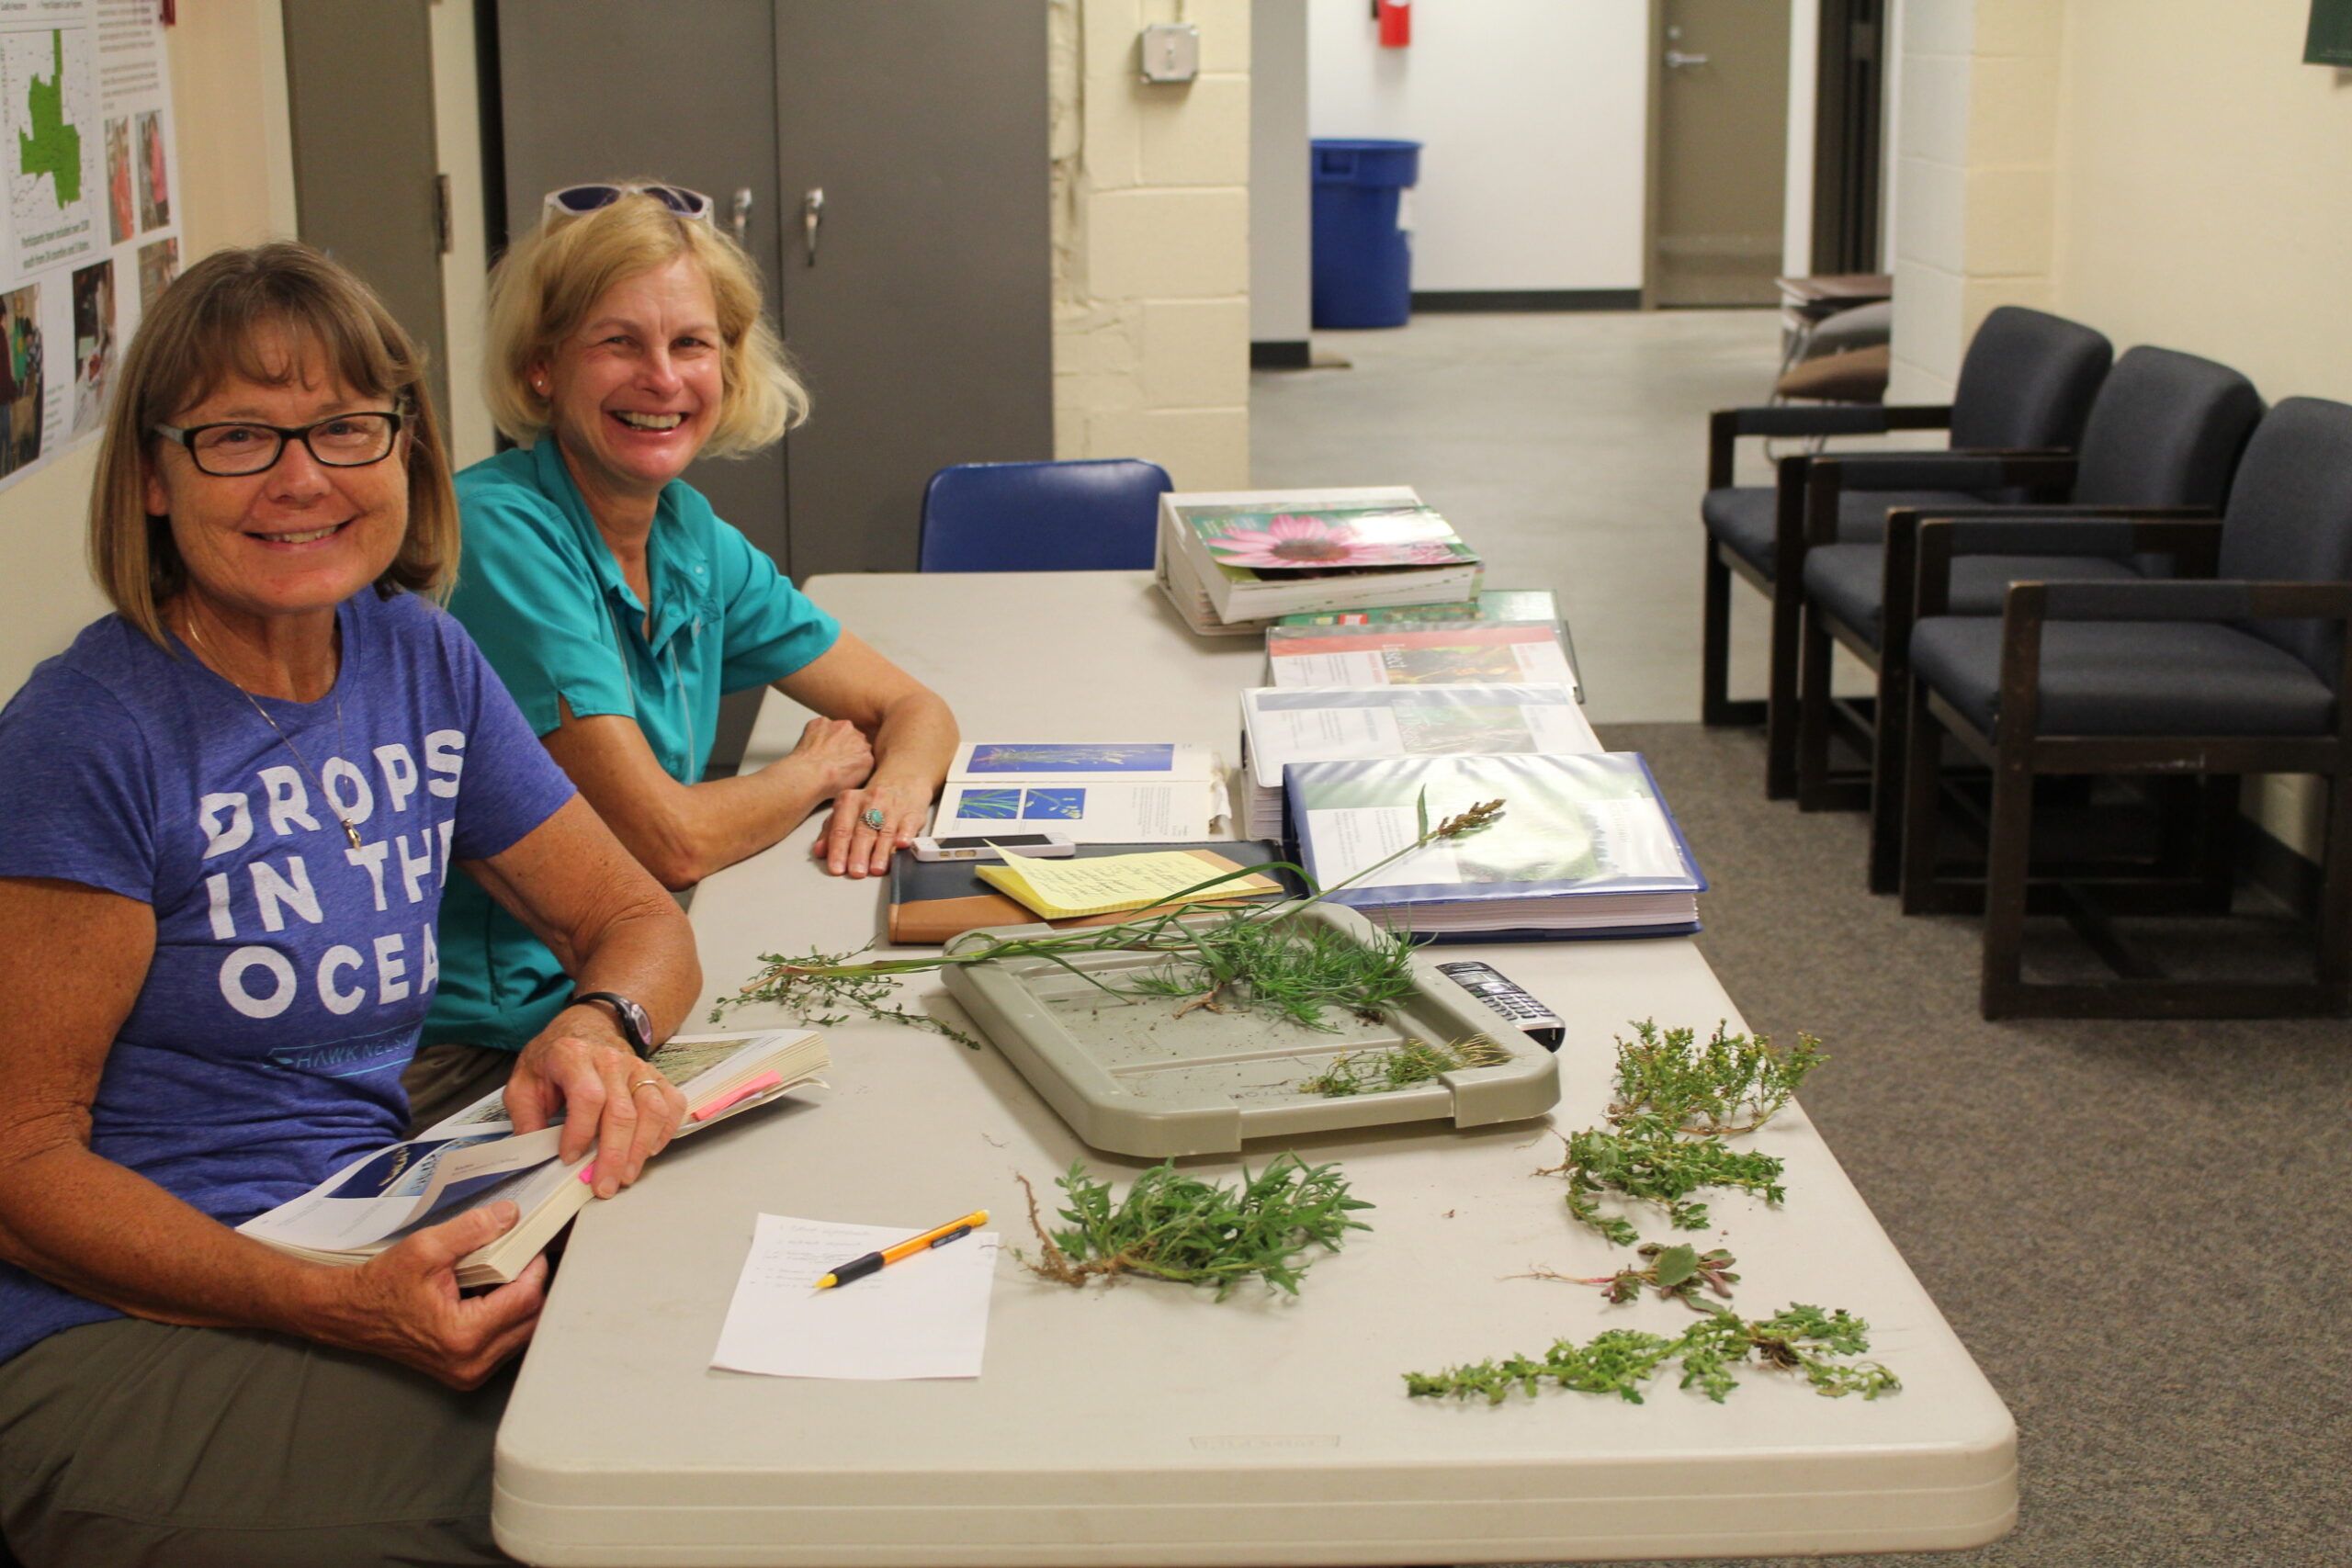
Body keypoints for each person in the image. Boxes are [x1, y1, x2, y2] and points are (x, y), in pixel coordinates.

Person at [0, 243, 702, 1566]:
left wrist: (598, 1025)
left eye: (344, 426)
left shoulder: (417, 656)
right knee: (616, 1510)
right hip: (115, 1329)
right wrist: (332, 1303)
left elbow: (640, 919)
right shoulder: (87, 734)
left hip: (368, 1227)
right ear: (151, 475)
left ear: (406, 448)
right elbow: (20, 1168)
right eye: (238, 438)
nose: (304, 476)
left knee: (696, 1393)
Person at [413, 182, 956, 1124]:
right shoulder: (500, 537)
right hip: (494, 1048)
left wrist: (894, 793)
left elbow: (917, 711)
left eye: (691, 344)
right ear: (543, 367)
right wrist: (815, 772)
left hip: (623, 990)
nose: (661, 380)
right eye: (618, 342)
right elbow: (665, 840)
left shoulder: (688, 538)